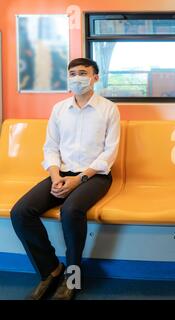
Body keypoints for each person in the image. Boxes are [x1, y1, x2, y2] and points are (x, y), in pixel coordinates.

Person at [10, 58, 120, 300]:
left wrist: (78, 179)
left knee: (71, 211)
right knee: (20, 212)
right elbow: (50, 147)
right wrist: (56, 175)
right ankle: (50, 270)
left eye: (83, 73)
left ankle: (73, 277)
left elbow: (109, 153)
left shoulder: (109, 108)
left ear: (95, 78)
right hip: (60, 173)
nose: (77, 77)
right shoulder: (59, 108)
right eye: (72, 73)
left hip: (95, 175)